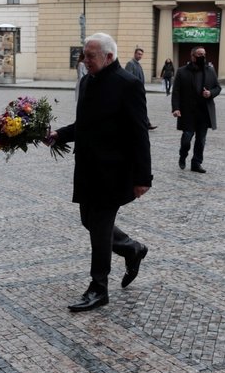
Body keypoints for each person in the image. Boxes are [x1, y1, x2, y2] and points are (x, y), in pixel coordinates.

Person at [50, 33, 152, 312]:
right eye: (84, 55)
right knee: (89, 221)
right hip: (87, 167)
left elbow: (139, 132)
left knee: (100, 229)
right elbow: (84, 125)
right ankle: (132, 248)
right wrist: (59, 134)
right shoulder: (87, 81)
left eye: (90, 56)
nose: (85, 60)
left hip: (114, 171)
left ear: (108, 57)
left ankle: (98, 288)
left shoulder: (128, 84)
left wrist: (143, 177)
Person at [172, 45, 222, 173]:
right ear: (192, 56)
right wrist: (176, 108)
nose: (203, 57)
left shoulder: (210, 70)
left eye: (204, 54)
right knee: (187, 138)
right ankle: (183, 155)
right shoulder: (182, 71)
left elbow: (218, 87)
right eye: (200, 55)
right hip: (188, 111)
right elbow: (176, 91)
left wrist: (210, 93)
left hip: (204, 111)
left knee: (201, 140)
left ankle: (196, 163)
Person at [123, 47, 157, 129]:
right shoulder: (130, 63)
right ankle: (145, 124)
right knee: (138, 108)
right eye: (138, 54)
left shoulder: (137, 64)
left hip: (139, 91)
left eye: (141, 54)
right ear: (134, 54)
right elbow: (128, 77)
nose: (140, 56)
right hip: (134, 92)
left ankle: (146, 123)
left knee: (140, 108)